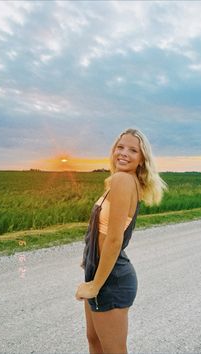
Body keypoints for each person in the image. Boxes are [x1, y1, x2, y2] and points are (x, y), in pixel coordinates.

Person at [75, 128, 168, 354]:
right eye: (120, 147)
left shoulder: (122, 180)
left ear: (141, 159)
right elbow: (101, 231)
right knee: (94, 340)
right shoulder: (124, 180)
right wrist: (88, 261)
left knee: (113, 350)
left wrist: (96, 285)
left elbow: (115, 239)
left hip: (112, 279)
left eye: (133, 150)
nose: (124, 153)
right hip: (99, 271)